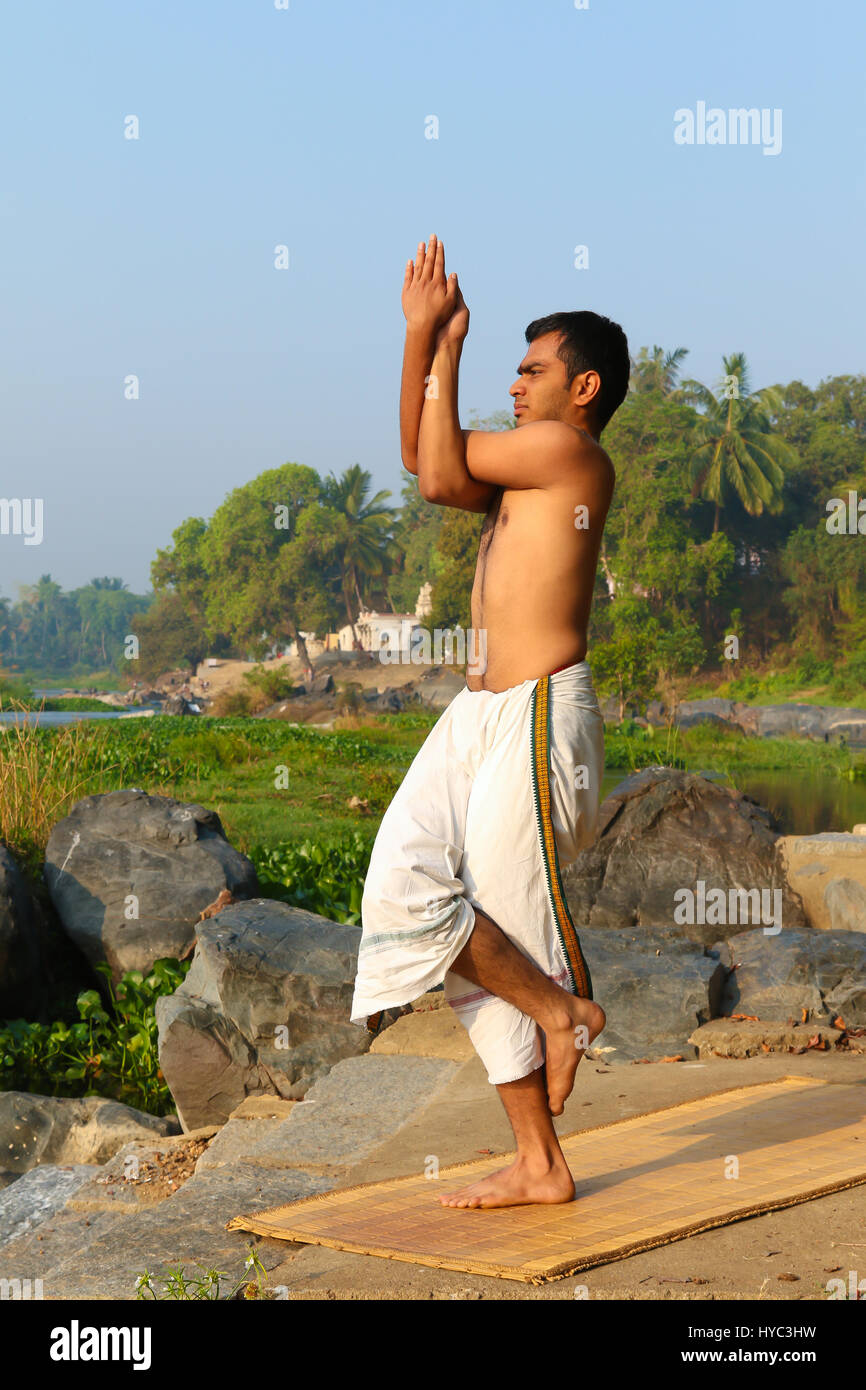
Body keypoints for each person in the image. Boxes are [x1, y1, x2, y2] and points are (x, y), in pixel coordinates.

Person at [350, 235, 630, 1209]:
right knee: (403, 881)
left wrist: (439, 337)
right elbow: (419, 458)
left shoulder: (565, 454)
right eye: (510, 369)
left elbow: (432, 473)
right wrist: (420, 340)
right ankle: (557, 1018)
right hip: (476, 713)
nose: (515, 386)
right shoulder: (521, 469)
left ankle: (540, 1151)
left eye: (531, 369)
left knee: (507, 920)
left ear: (583, 387)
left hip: (536, 710)